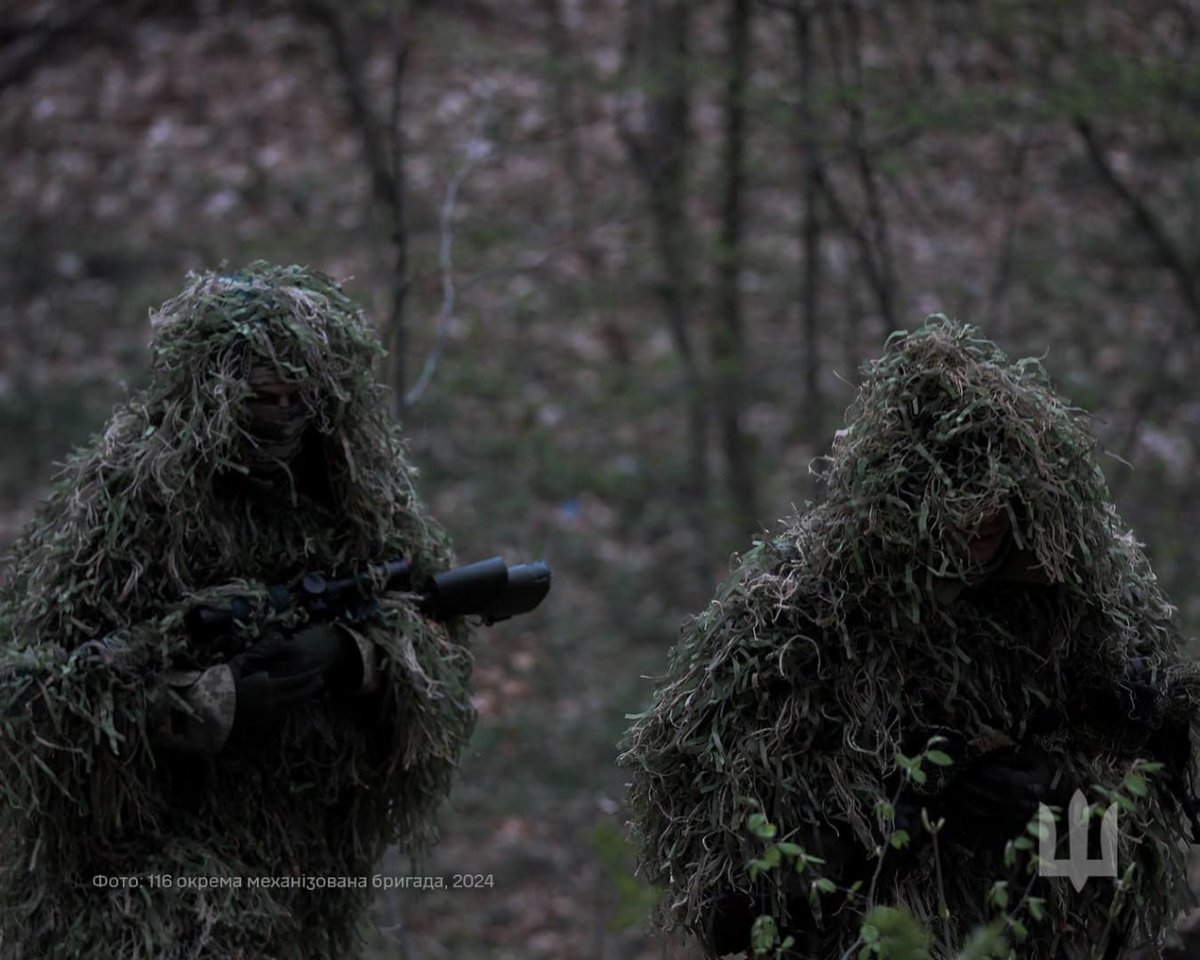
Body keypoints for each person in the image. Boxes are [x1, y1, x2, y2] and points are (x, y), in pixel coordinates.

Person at [621, 317, 1199, 958]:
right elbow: (736, 903)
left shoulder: (1086, 616)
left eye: (992, 506)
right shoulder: (796, 621)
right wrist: (904, 809)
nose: (976, 524)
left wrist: (1060, 803)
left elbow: (1120, 868)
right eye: (950, 507)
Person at [0, 263, 476, 959]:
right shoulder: (129, 504)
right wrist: (208, 703)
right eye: (261, 396)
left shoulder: (356, 498)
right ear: (213, 391)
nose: (282, 411)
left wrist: (348, 655)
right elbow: (35, 704)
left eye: (296, 395)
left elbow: (438, 646)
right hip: (150, 878)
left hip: (306, 870)